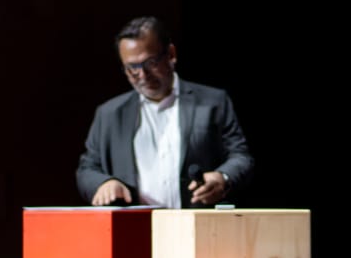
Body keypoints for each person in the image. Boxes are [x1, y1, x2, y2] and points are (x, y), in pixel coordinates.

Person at [76, 15, 253, 208]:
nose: (143, 75)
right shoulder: (110, 113)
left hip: (198, 223)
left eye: (151, 62)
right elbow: (87, 169)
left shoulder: (213, 101)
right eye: (132, 67)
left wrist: (223, 177)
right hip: (135, 225)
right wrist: (104, 183)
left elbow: (241, 157)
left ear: (171, 54)